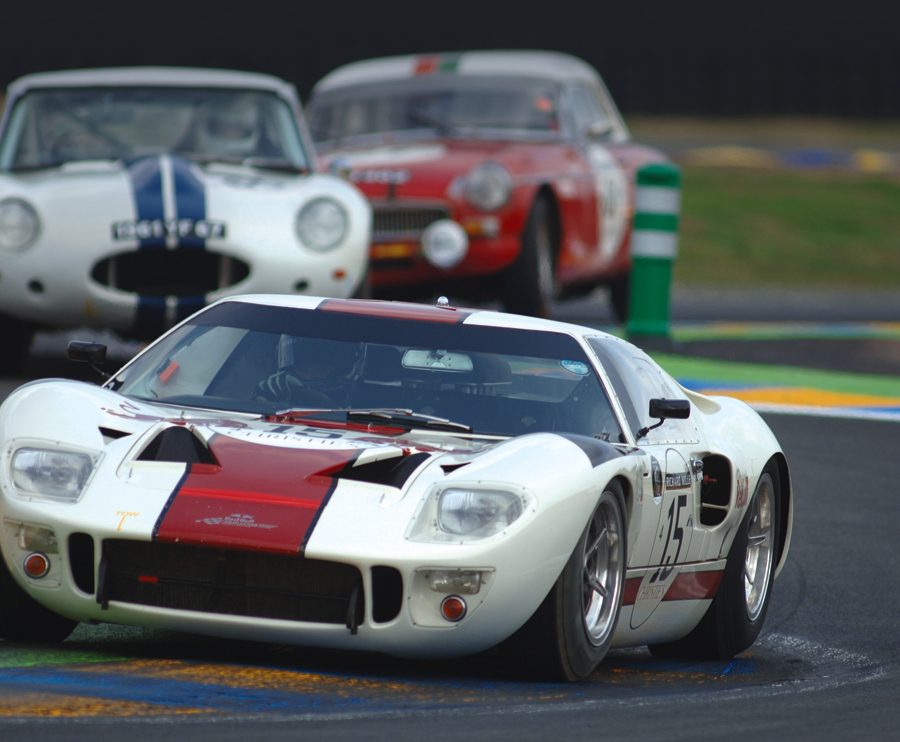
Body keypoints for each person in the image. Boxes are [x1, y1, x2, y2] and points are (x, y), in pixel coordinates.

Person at [256, 335, 363, 408]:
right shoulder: (277, 390)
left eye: (321, 370)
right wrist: (263, 398)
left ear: (338, 373)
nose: (310, 376)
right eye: (302, 370)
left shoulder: (363, 404)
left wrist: (317, 399)